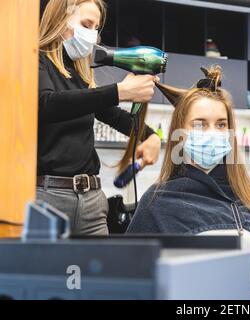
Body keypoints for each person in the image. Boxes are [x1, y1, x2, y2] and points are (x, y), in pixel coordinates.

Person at [127, 65, 250, 300]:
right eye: (200, 124)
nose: (212, 133)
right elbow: (133, 284)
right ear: (180, 133)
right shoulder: (157, 202)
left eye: (221, 124)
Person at [37, 0, 161, 235]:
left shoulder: (81, 74)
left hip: (92, 202)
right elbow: (46, 104)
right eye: (86, 24)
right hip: (48, 200)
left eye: (96, 28)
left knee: (100, 272)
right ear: (61, 19)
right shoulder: (36, 61)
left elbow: (110, 113)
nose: (92, 35)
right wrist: (119, 92)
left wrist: (151, 136)